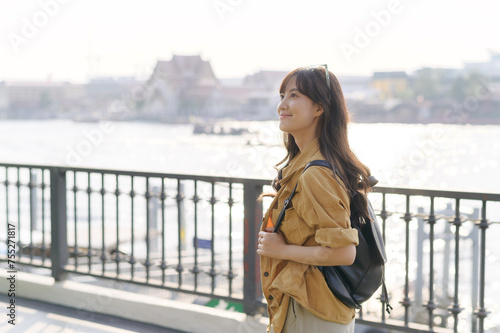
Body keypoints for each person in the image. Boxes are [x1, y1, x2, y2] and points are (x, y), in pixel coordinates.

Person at [257, 65, 373, 333]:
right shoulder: (309, 163)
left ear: (320, 108)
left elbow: (344, 253)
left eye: (294, 96)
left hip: (312, 313)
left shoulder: (315, 173)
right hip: (309, 306)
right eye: (282, 96)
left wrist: (281, 250)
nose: (282, 105)